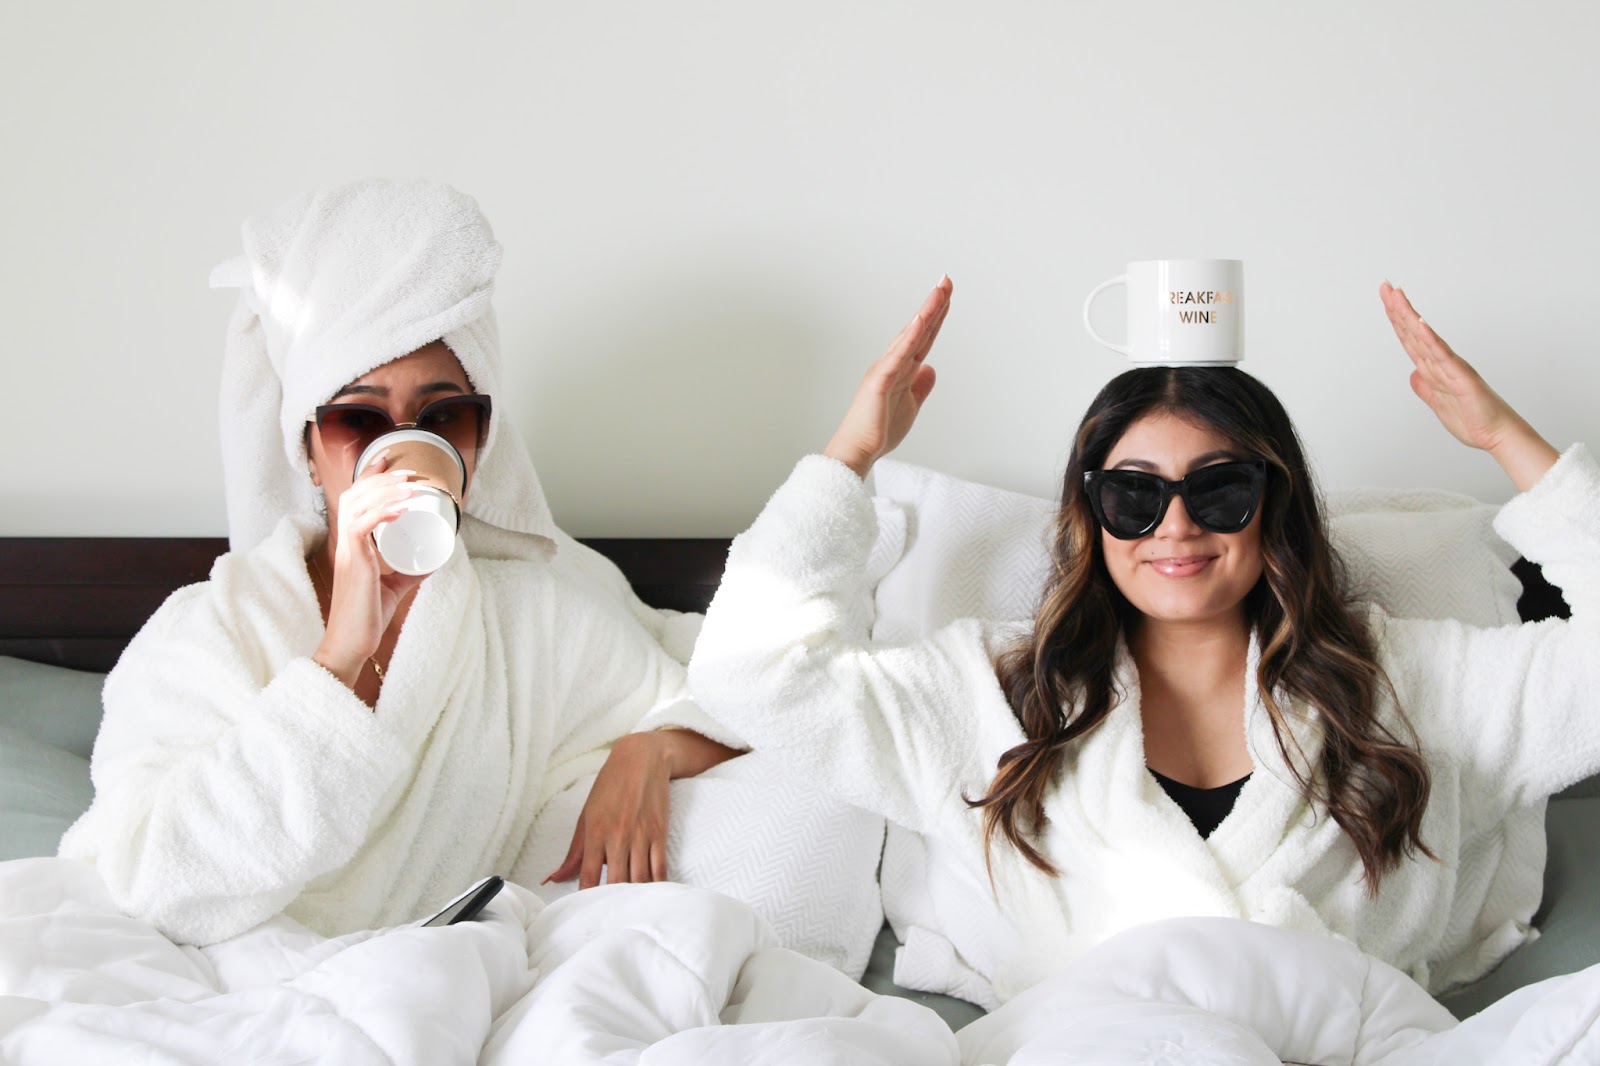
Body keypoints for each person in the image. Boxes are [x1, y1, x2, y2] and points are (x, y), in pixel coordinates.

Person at [687, 276, 1600, 1006]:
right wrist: (850, 456)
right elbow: (752, 676)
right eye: (1134, 494)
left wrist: (1504, 439)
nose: (1176, 525)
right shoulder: (988, 691)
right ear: (1092, 513)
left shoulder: (1408, 683)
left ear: (1273, 505)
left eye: (1219, 489)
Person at [59, 179, 741, 946]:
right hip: (242, 978)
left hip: (437, 978)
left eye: (445, 415)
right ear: (308, 449)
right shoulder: (212, 629)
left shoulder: (529, 620)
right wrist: (338, 658)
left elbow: (738, 695)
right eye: (358, 418)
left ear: (479, 442)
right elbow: (152, 881)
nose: (402, 449)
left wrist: (651, 749)